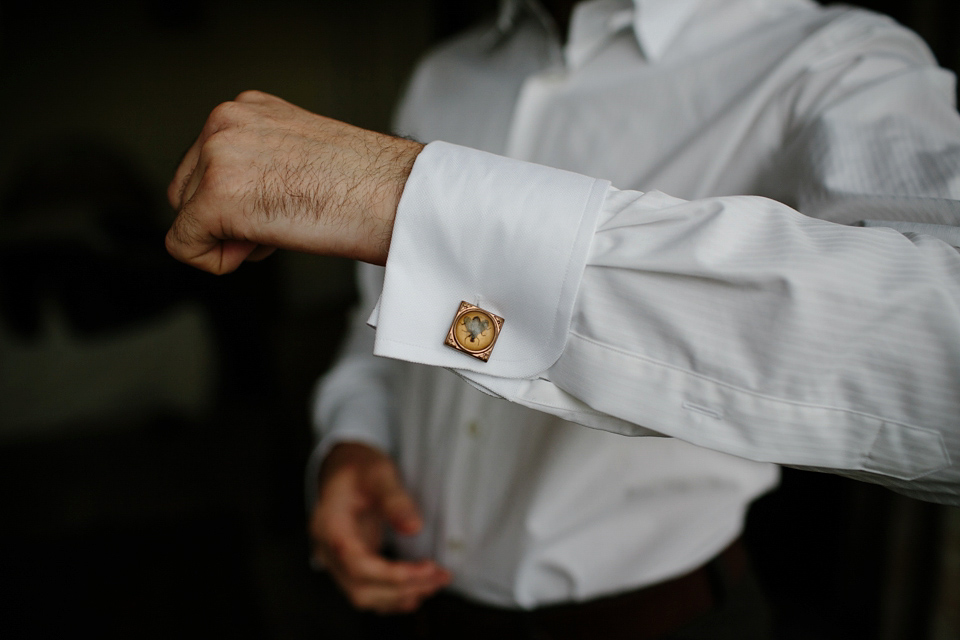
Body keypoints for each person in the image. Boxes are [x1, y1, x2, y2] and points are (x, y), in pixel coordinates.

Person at [165, 0, 960, 637]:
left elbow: (942, 363)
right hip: (410, 606)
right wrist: (353, 437)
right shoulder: (449, 71)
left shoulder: (836, 63)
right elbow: (380, 315)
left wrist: (396, 193)